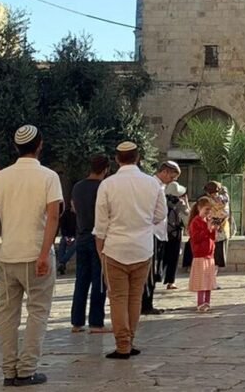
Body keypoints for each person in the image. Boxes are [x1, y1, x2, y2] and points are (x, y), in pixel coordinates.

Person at [0, 125, 62, 387]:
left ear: (16, 147)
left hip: (9, 255)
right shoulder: (49, 177)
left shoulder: (1, 178)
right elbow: (53, 216)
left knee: (7, 315)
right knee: (37, 312)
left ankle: (8, 370)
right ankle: (27, 369)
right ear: (40, 145)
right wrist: (44, 253)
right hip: (36, 252)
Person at [94, 141, 167, 360]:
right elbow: (161, 214)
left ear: (117, 159)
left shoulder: (108, 184)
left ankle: (123, 344)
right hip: (142, 248)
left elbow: (101, 222)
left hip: (115, 248)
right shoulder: (152, 183)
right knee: (135, 298)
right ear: (138, 158)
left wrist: (101, 247)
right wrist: (144, 223)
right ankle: (130, 340)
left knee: (117, 298)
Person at [70, 155, 109, 334]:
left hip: (81, 236)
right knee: (99, 281)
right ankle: (96, 322)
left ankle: (77, 322)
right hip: (98, 237)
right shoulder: (104, 187)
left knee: (81, 280)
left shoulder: (78, 187)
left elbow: (74, 208)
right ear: (106, 169)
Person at [143, 161, 181, 316]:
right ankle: (146, 305)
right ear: (164, 172)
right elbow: (158, 213)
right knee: (150, 271)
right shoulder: (153, 185)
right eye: (172, 177)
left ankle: (148, 302)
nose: (172, 180)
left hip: (158, 233)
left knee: (155, 270)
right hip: (153, 233)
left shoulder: (160, 186)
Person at [188, 196, 220, 313]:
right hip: (200, 254)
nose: (208, 212)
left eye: (210, 210)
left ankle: (207, 301)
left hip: (209, 254)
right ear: (199, 208)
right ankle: (200, 302)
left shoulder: (207, 221)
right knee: (201, 281)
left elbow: (213, 238)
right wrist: (207, 229)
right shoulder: (195, 222)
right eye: (206, 209)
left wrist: (214, 229)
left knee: (208, 280)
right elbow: (196, 238)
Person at [162, 176, 189, 290]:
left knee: (163, 256)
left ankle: (158, 275)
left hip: (163, 231)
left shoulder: (162, 199)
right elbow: (187, 214)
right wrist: (186, 203)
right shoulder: (179, 202)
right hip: (175, 232)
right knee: (174, 257)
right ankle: (170, 281)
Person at [203, 182, 231, 269]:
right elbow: (226, 193)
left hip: (212, 229)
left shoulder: (208, 201)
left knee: (212, 255)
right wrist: (223, 189)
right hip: (223, 229)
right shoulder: (224, 198)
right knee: (219, 256)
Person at [56, 203, 77, 276]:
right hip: (66, 236)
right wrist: (66, 237)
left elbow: (79, 230)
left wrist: (73, 238)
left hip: (76, 237)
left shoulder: (80, 215)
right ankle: (62, 263)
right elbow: (63, 227)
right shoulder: (66, 214)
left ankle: (62, 262)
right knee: (62, 242)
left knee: (75, 245)